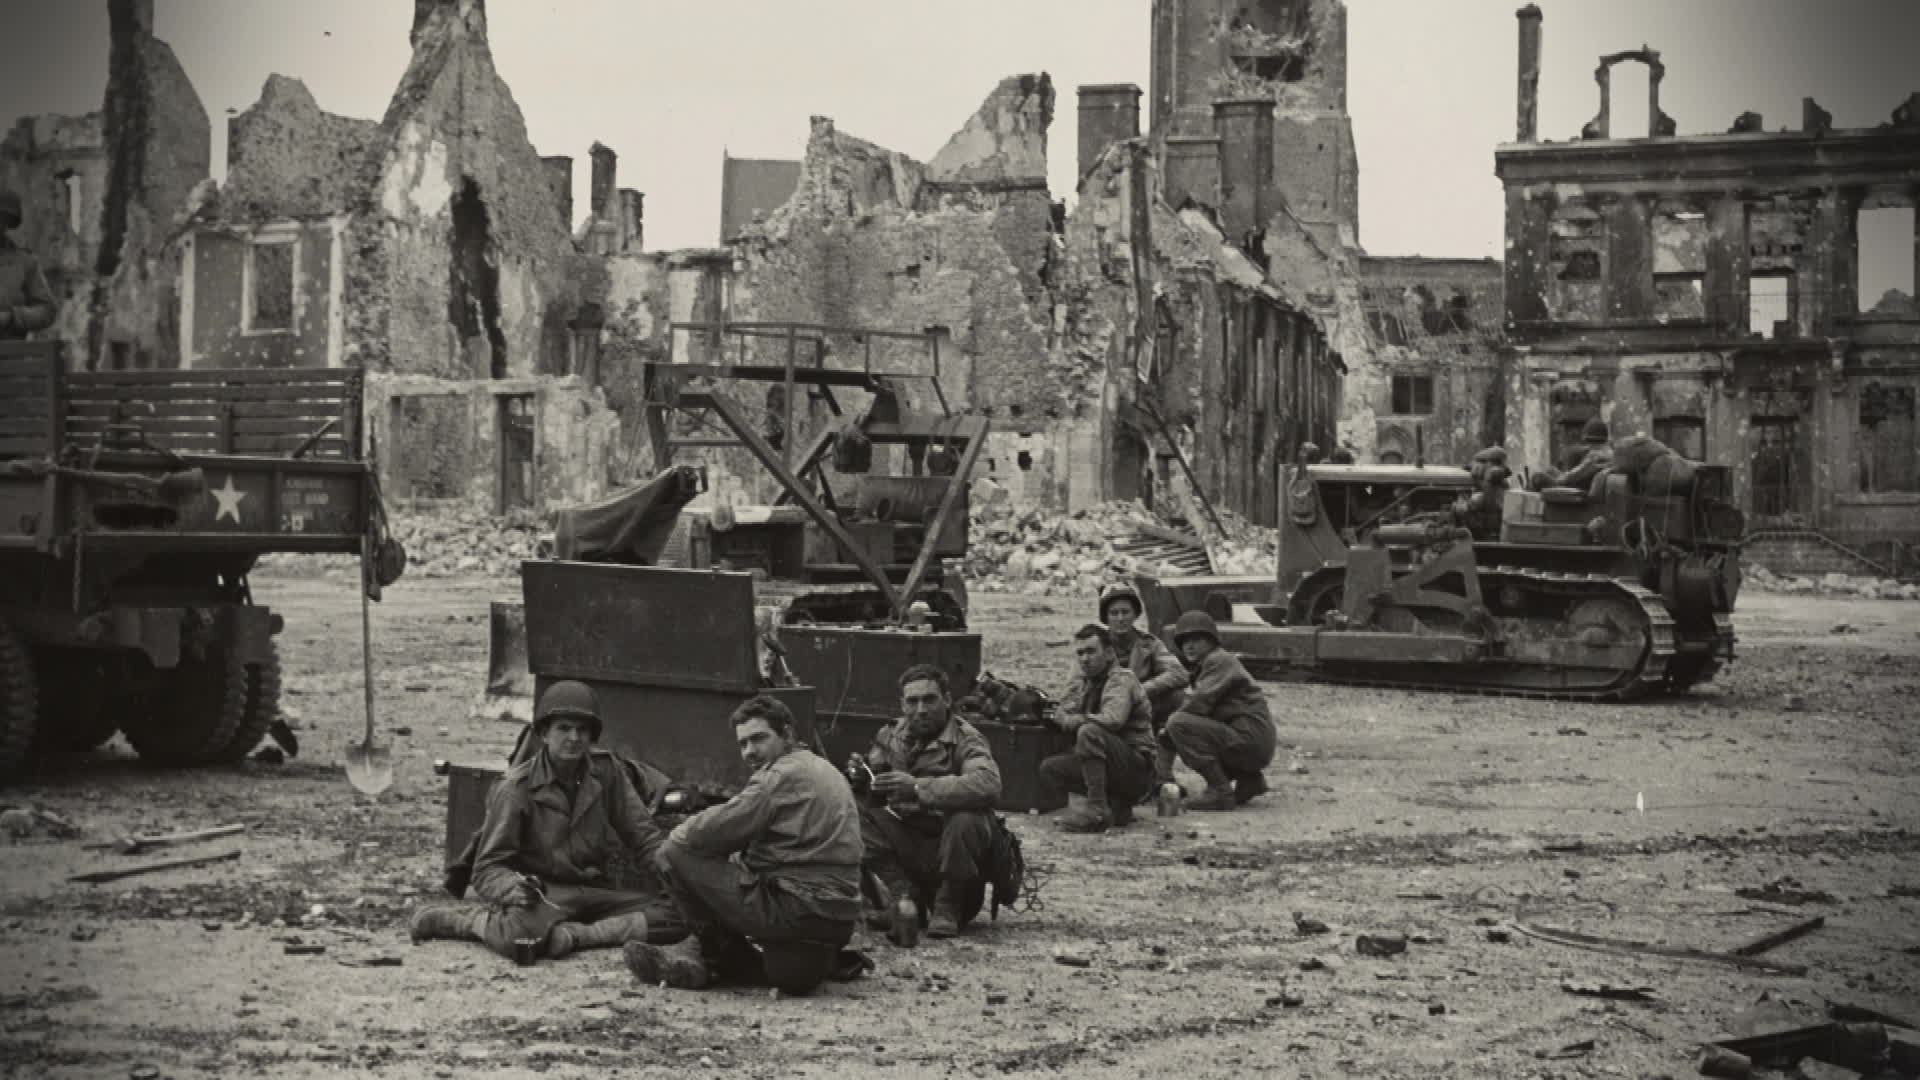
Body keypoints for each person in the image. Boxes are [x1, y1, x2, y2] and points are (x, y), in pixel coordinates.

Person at [408, 680, 685, 961]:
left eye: (582, 730)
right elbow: (487, 868)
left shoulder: (607, 771)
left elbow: (644, 837)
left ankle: (576, 936)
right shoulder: (516, 788)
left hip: (596, 892)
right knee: (521, 941)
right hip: (544, 895)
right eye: (563, 728)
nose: (574, 738)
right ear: (543, 733)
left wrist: (677, 877)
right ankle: (464, 922)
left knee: (683, 915)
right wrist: (515, 890)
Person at [624, 695, 864, 994]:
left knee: (673, 852)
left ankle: (715, 954)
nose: (750, 752)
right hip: (838, 918)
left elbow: (701, 835)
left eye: (759, 739)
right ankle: (728, 957)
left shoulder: (776, 777)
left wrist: (684, 831)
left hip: (796, 908)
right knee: (790, 974)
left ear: (787, 733)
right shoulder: (825, 769)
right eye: (743, 744)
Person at [857, 663, 1004, 939]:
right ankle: (904, 899)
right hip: (912, 842)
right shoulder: (891, 735)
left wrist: (915, 787)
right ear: (902, 705)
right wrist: (862, 777)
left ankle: (947, 905)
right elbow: (874, 777)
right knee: (850, 810)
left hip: (957, 860)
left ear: (947, 700)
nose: (921, 709)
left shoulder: (966, 739)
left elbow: (988, 784)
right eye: (912, 701)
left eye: (930, 699)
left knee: (968, 817)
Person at [1038, 624, 1157, 833]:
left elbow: (1113, 719)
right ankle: (1115, 806)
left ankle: (1097, 810)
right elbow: (1064, 710)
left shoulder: (1122, 679)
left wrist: (1071, 720)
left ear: (1109, 653)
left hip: (1137, 768)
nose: (1085, 659)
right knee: (1050, 768)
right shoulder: (1085, 683)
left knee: (1089, 731)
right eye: (1080, 653)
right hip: (1114, 763)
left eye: (1091, 651)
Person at [1164, 611, 1278, 812]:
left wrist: (1167, 731)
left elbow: (1198, 703)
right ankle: (1249, 780)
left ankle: (1220, 791)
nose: (1189, 646)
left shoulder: (1217, 660)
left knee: (1178, 725)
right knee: (1185, 724)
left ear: (1211, 641)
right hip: (1254, 740)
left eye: (1196, 640)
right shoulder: (1210, 664)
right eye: (1184, 641)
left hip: (1249, 738)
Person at [1095, 583, 1187, 782]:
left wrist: (1139, 690)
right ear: (1106, 617)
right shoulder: (1095, 645)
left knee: (1178, 698)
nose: (1120, 618)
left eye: (1126, 612)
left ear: (1135, 614)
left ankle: (1161, 773)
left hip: (1141, 712)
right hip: (1104, 711)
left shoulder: (1149, 644)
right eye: (1114, 613)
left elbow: (1179, 673)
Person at [0, 190, 56, 341]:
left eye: (2, 219)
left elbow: (47, 310)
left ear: (7, 223)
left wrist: (12, 317)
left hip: (11, 355)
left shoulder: (25, 262)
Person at [1557, 417, 1614, 491]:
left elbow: (1572, 476)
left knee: (1541, 477)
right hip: (1585, 487)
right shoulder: (1611, 453)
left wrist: (1558, 479)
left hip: (1580, 493)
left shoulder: (1595, 456)